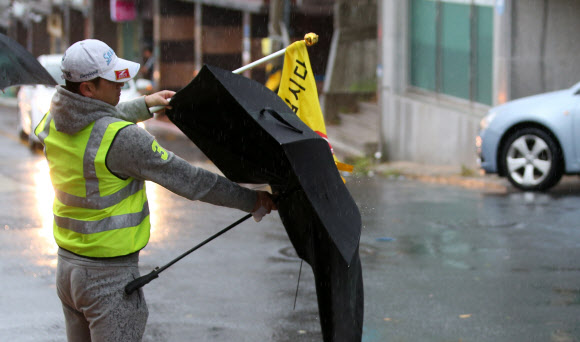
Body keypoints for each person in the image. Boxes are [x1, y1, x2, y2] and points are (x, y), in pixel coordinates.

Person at [34, 39, 276, 342]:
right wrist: (252, 200)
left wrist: (145, 105)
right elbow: (193, 181)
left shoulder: (52, 122)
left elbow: (89, 118)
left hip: (69, 272)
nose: (124, 82)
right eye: (114, 78)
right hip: (108, 282)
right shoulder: (123, 140)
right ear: (88, 89)